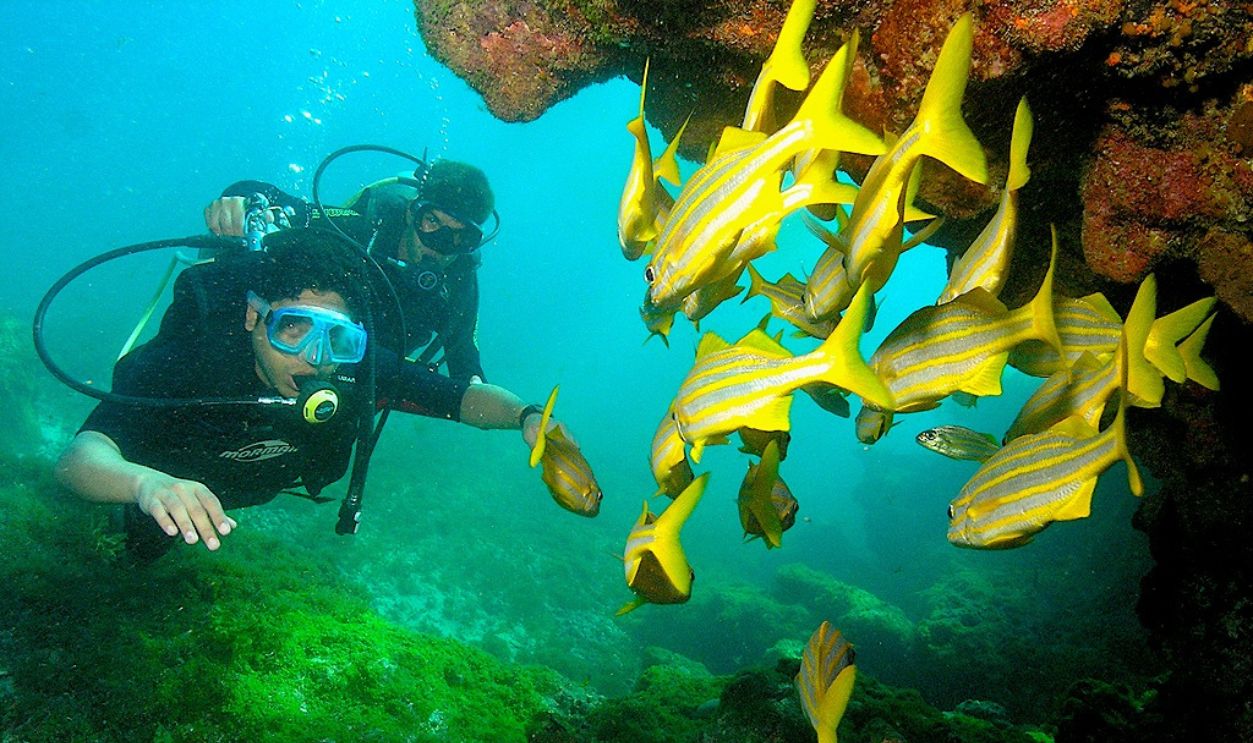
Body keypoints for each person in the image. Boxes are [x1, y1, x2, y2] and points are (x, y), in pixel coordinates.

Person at [55, 229, 563, 559]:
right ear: (255, 317)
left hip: (237, 491)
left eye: (338, 338)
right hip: (162, 485)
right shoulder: (190, 359)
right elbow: (79, 457)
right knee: (131, 548)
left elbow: (458, 398)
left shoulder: (353, 366)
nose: (316, 358)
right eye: (293, 328)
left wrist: (527, 414)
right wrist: (146, 485)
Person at [203, 159, 495, 383]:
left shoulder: (458, 280)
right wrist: (247, 203)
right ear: (410, 212)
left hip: (358, 384)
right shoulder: (360, 231)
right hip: (287, 355)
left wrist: (484, 392)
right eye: (431, 221)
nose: (441, 244)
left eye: (460, 237)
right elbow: (284, 203)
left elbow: (464, 356)